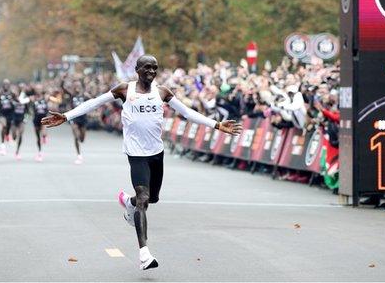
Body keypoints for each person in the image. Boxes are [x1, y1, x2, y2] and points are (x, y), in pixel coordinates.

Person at [42, 55, 242, 270]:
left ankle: (129, 202)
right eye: (147, 67)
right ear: (137, 70)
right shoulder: (124, 89)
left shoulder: (162, 92)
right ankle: (144, 254)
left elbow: (186, 112)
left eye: (155, 68)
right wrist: (67, 116)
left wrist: (216, 125)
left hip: (157, 152)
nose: (151, 71)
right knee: (143, 199)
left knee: (151, 199)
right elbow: (94, 102)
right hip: (136, 153)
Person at [62, 81, 91, 164]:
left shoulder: (84, 96)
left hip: (83, 119)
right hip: (74, 118)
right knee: (76, 135)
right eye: (75, 86)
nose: (77, 87)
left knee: (82, 139)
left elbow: (94, 101)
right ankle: (79, 155)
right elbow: (63, 88)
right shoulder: (72, 95)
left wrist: (90, 96)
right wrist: (63, 80)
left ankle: (79, 139)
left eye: (78, 85)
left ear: (81, 87)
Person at [0, 79, 15, 155]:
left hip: (10, 113)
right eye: (4, 84)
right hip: (1, 113)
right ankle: (2, 145)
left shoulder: (12, 93)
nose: (6, 85)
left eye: (7, 84)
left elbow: (17, 101)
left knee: (8, 126)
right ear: (2, 85)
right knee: (4, 126)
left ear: (9, 85)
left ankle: (7, 135)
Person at [31, 83, 50, 162]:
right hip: (36, 119)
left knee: (43, 132)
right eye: (37, 89)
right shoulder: (33, 98)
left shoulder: (45, 98)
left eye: (40, 89)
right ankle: (39, 152)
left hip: (44, 118)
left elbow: (51, 94)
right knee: (38, 137)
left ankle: (45, 136)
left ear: (42, 90)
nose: (38, 90)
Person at [11, 83, 29, 160]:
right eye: (20, 87)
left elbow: (28, 110)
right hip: (14, 118)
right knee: (14, 136)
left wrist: (26, 118)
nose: (22, 89)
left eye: (23, 88)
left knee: (21, 134)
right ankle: (13, 138)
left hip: (22, 118)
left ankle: (17, 151)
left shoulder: (25, 98)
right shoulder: (13, 96)